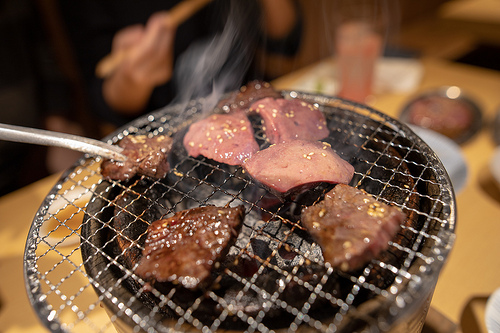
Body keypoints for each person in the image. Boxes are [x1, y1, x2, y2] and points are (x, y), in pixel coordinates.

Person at [58, 0, 302, 129]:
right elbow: (100, 99)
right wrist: (132, 80)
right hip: (164, 131)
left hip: (256, 108)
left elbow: (285, 40)